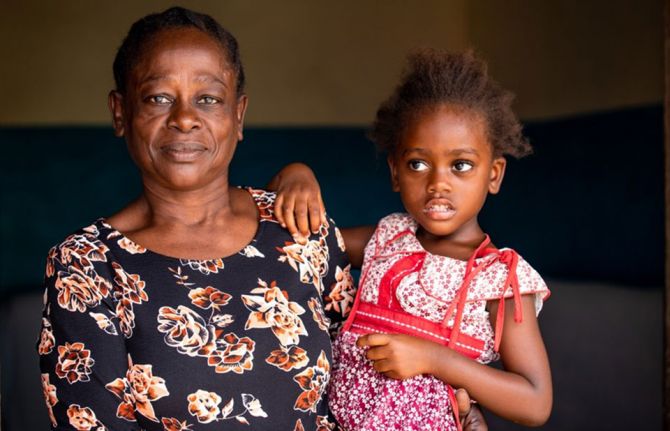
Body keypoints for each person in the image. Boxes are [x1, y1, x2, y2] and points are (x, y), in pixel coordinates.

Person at [36, 7, 355, 431]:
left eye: (208, 98)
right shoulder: (87, 266)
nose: (184, 117)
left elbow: (364, 381)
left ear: (237, 115)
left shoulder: (299, 228)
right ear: (120, 112)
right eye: (158, 98)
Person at [278, 49, 553, 430]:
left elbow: (535, 401)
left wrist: (435, 359)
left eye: (461, 165)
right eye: (418, 164)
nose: (438, 182)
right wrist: (295, 174)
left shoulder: (501, 278)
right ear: (395, 172)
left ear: (494, 174)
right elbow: (305, 240)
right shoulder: (386, 238)